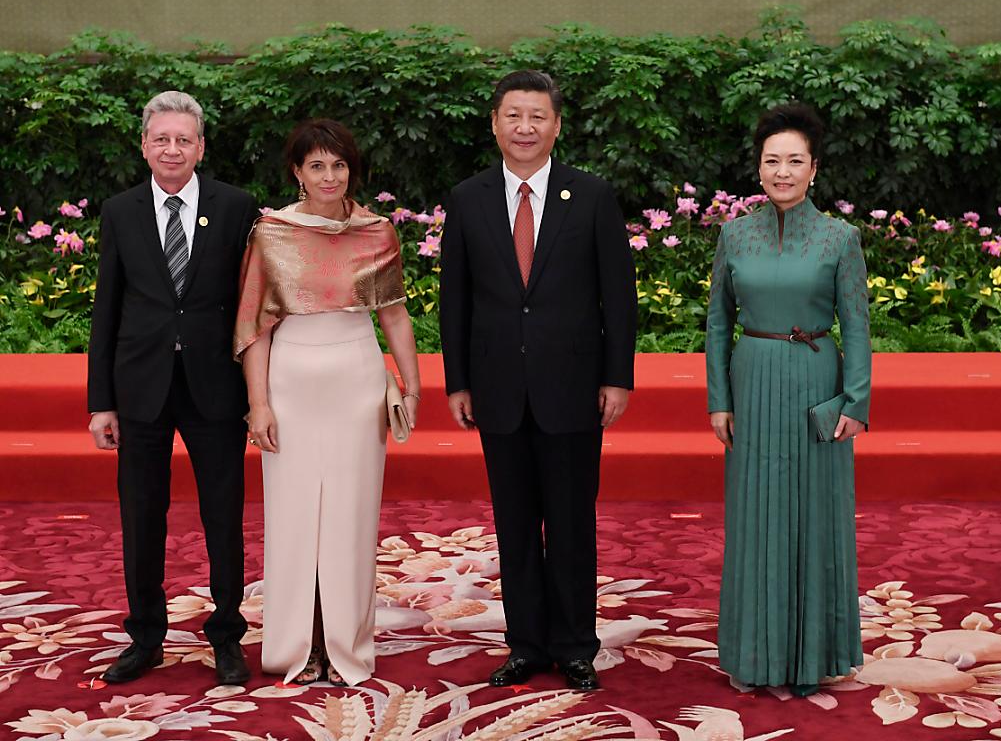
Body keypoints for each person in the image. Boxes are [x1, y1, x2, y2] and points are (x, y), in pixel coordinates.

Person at [439, 70, 637, 692]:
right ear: (495, 123)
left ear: (556, 125)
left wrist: (617, 376)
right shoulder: (468, 198)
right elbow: (455, 298)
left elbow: (618, 295)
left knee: (572, 523)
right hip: (497, 386)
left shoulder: (592, 195)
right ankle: (525, 644)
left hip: (573, 387)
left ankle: (575, 645)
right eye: (514, 116)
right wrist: (457, 381)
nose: (525, 128)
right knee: (514, 524)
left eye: (537, 117)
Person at [234, 118, 419, 687]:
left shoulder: (377, 232)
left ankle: (345, 645)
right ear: (298, 171)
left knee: (351, 517)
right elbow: (256, 327)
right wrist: (259, 404)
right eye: (316, 166)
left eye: (339, 165)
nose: (329, 176)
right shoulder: (272, 234)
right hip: (290, 382)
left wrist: (411, 386)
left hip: (357, 382)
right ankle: (297, 645)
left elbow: (394, 315)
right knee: (291, 517)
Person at [87, 90, 258, 685]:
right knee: (142, 515)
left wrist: (258, 393)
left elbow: (251, 302)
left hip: (216, 386)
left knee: (223, 516)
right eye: (161, 138)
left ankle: (227, 635)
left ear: (201, 147)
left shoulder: (236, 207)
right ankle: (145, 637)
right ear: (144, 145)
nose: (172, 149)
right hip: (141, 387)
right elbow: (107, 309)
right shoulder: (121, 211)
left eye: (184, 139)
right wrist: (101, 402)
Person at [705, 103, 871, 696]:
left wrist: (855, 402)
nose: (782, 172)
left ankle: (815, 655)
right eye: (772, 160)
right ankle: (754, 655)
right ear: (758, 168)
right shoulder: (734, 234)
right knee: (753, 517)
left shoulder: (840, 237)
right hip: (751, 381)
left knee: (816, 515)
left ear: (814, 168)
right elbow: (718, 323)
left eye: (795, 161)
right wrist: (719, 399)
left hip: (817, 383)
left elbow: (857, 325)